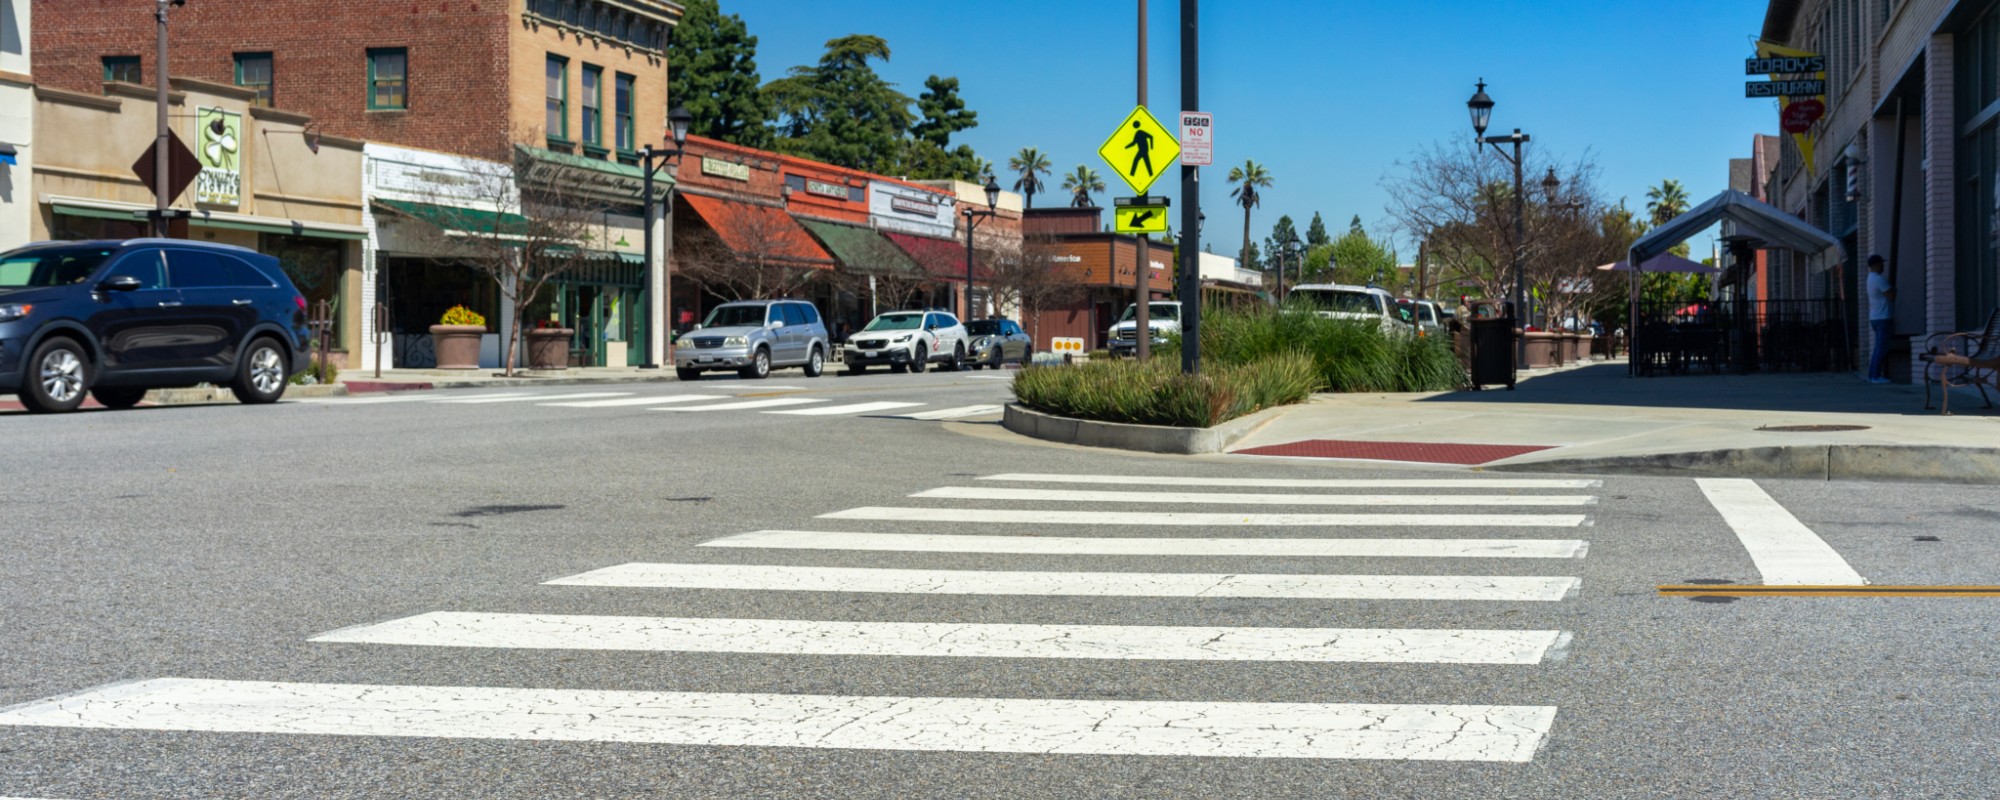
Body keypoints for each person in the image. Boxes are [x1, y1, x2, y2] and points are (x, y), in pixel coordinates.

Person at [1866, 254, 1895, 384]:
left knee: (1878, 347)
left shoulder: (1870, 279)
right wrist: (1894, 289)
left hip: (1875, 317)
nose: (1883, 266)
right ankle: (1875, 376)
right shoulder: (1878, 279)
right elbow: (1891, 295)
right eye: (1881, 263)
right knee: (1881, 348)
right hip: (1883, 318)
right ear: (1876, 265)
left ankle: (1872, 374)